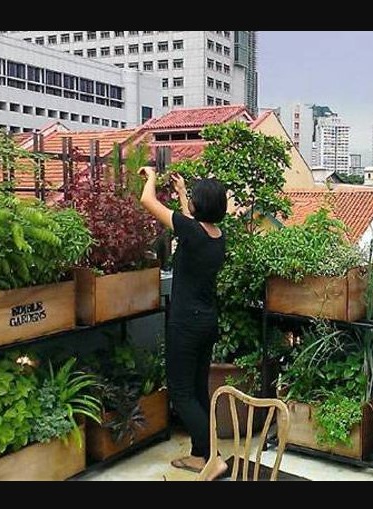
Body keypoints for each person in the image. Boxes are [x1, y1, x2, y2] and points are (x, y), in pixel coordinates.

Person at [139, 166, 229, 480]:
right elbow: (191, 223)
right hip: (206, 322)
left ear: (199, 206)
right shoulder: (217, 236)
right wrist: (181, 192)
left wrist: (151, 178)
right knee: (197, 390)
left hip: (186, 323)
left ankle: (213, 458)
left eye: (193, 197)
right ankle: (200, 455)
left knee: (180, 392)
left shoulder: (193, 232)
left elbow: (148, 202)